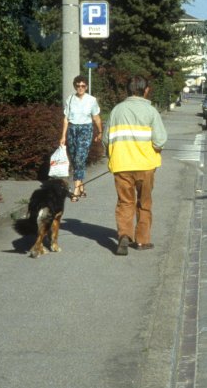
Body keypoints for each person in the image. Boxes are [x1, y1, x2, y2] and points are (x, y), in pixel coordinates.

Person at [102, 75, 168, 256]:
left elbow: (106, 139)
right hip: (146, 165)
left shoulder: (117, 110)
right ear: (146, 90)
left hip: (121, 165)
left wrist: (111, 155)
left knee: (125, 202)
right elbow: (160, 140)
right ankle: (142, 240)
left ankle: (124, 235)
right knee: (144, 202)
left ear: (128, 90)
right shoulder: (151, 112)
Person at [59, 75, 102, 201]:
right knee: (74, 158)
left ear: (86, 87)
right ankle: (82, 186)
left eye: (83, 86)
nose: (80, 88)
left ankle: (76, 189)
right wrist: (63, 136)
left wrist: (100, 132)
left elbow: (96, 117)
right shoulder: (70, 99)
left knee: (80, 157)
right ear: (75, 86)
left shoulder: (91, 100)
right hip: (72, 129)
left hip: (85, 129)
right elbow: (66, 118)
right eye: (78, 86)